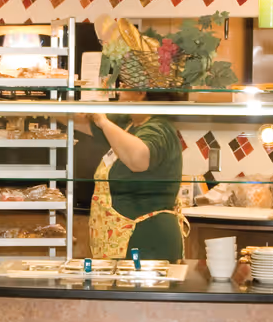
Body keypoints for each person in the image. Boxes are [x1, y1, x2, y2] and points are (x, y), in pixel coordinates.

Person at [70, 90, 186, 261]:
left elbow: (138, 160)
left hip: (145, 240)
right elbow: (79, 122)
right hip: (120, 241)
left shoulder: (159, 128)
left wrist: (103, 121)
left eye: (125, 84)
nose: (119, 88)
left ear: (140, 93)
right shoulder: (129, 123)